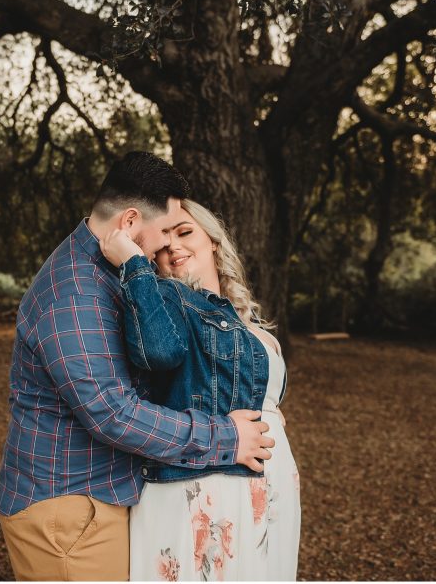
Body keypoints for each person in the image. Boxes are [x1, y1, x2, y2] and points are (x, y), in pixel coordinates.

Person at [0, 153, 276, 581]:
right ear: (129, 223)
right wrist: (225, 437)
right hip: (67, 511)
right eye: (164, 231)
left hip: (99, 498)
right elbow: (112, 411)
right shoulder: (76, 293)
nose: (167, 245)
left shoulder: (113, 274)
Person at [100, 199, 301, 581]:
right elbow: (157, 353)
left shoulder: (246, 317)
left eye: (185, 232)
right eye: (161, 243)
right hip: (208, 479)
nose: (172, 245)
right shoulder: (168, 304)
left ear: (213, 241)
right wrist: (133, 264)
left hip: (272, 480)